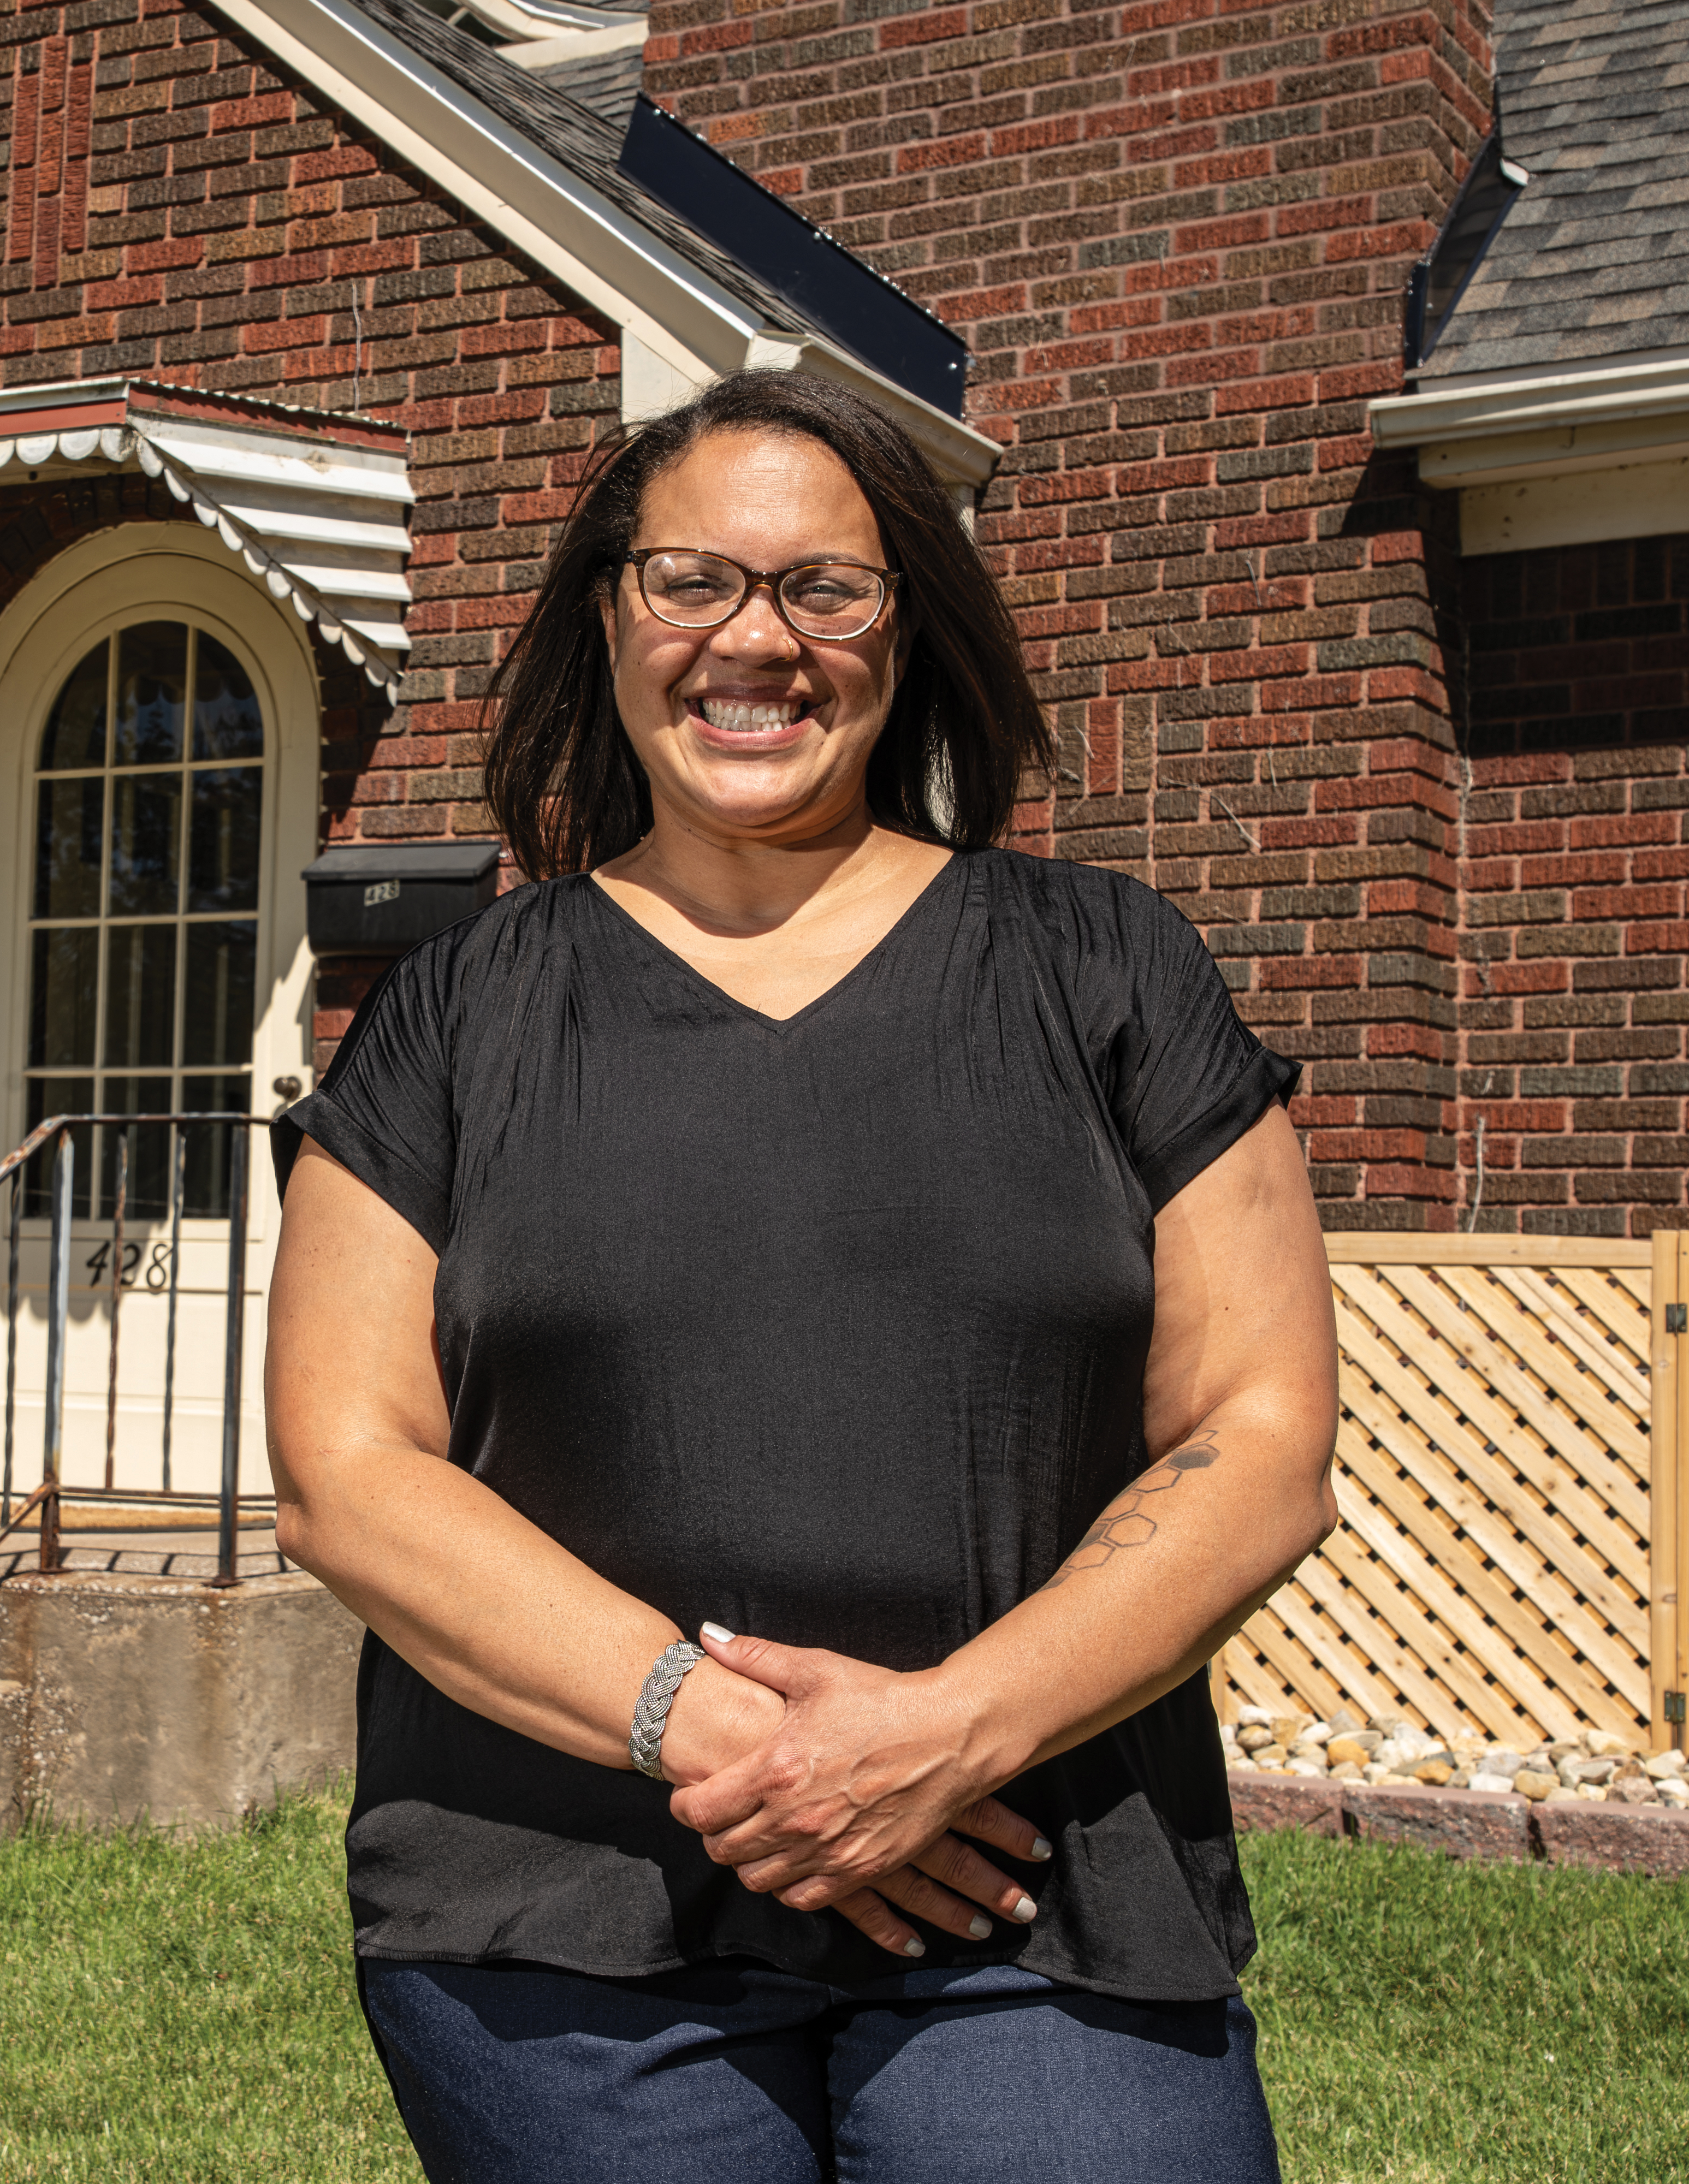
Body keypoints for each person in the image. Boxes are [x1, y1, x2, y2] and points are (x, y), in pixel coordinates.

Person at [265, 369, 1340, 2183]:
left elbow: (1259, 1436)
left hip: (1034, 1878)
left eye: (822, 589)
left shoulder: (1106, 971)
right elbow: (344, 1470)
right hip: (561, 1906)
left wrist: (944, 1739)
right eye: (692, 580)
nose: (753, 642)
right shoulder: (456, 1014)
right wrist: (737, 1740)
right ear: (610, 611)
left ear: (903, 632)